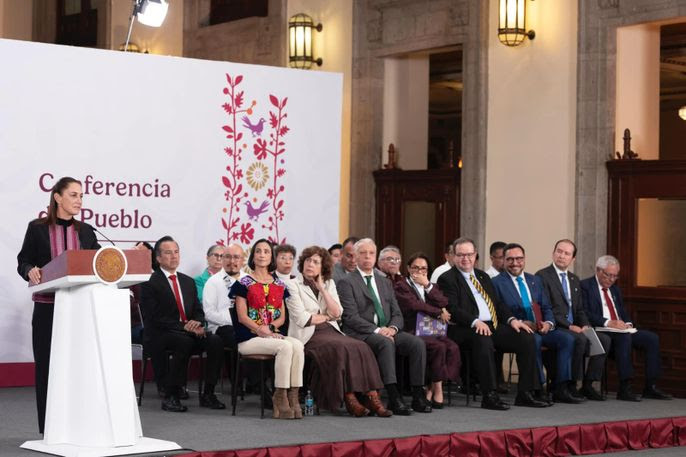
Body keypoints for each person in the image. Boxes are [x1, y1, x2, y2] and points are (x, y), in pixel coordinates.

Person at [17, 176, 101, 434]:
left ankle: (79, 425)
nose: (79, 200)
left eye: (81, 196)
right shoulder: (37, 228)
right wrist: (30, 270)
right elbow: (23, 261)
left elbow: (99, 262)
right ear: (57, 197)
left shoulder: (86, 231)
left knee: (79, 367)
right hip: (47, 309)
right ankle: (49, 428)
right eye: (74, 195)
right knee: (47, 367)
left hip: (80, 310)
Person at [437, 237, 546, 410]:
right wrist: (475, 321)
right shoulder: (447, 278)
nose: (465, 258)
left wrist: (512, 320)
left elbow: (498, 304)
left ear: (475, 255)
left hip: (491, 325)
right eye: (461, 255)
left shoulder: (483, 276)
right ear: (454, 256)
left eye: (469, 254)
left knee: (526, 337)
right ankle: (489, 395)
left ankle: (525, 393)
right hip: (465, 328)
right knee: (484, 339)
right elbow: (453, 308)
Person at [286, 246, 391, 417]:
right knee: (340, 348)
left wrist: (322, 289)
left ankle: (372, 397)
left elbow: (337, 313)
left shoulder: (329, 283)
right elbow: (303, 319)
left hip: (331, 331)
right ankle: (350, 399)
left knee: (361, 346)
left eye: (316, 262)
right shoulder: (292, 284)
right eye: (308, 260)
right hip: (308, 334)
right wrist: (327, 316)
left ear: (323, 267)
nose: (310, 264)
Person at [338, 238, 431, 415]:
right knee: (385, 343)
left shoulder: (384, 282)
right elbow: (350, 317)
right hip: (362, 332)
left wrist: (393, 328)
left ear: (375, 257)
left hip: (388, 329)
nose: (367, 256)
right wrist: (379, 330)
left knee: (417, 343)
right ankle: (394, 396)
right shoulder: (346, 282)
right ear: (355, 257)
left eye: (371, 253)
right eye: (363, 253)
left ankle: (418, 395)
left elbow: (397, 313)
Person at [141, 236, 226, 412]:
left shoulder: (187, 281)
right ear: (158, 258)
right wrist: (184, 327)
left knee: (215, 341)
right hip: (160, 334)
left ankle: (208, 394)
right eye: (168, 253)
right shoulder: (149, 282)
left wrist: (197, 322)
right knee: (184, 342)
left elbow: (198, 311)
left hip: (188, 331)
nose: (174, 256)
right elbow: (154, 317)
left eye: (176, 252)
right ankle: (171, 396)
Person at [492, 243, 580, 404]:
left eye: (519, 258)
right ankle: (538, 388)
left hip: (541, 327)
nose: (515, 263)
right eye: (510, 259)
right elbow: (498, 310)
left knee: (567, 339)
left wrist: (549, 323)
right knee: (535, 340)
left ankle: (560, 387)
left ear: (524, 259)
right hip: (518, 330)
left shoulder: (535, 280)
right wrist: (519, 322)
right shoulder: (496, 282)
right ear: (504, 260)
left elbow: (546, 306)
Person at [581, 255, 672, 401]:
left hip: (620, 329)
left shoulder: (615, 289)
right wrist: (608, 322)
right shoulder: (585, 286)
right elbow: (584, 312)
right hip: (601, 329)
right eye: (608, 275)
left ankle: (651, 386)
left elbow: (622, 311)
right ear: (598, 270)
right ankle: (625, 387)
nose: (611, 279)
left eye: (615, 276)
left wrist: (628, 323)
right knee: (624, 338)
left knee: (651, 339)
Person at [234, 239, 305, 419]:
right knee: (285, 346)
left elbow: (282, 317)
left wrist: (271, 328)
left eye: (266, 251)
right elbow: (242, 317)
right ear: (253, 256)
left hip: (272, 335)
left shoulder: (279, 284)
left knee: (297, 345)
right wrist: (260, 329)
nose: (262, 255)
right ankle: (279, 396)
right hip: (249, 338)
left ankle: (293, 396)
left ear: (271, 257)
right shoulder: (243, 282)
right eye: (258, 251)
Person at [536, 239, 609, 401]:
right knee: (578, 338)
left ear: (573, 259)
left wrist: (586, 325)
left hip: (574, 327)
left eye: (566, 253)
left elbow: (579, 310)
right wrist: (570, 326)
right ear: (553, 253)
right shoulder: (543, 276)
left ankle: (588, 384)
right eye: (559, 251)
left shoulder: (574, 279)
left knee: (603, 340)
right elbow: (546, 308)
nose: (561, 256)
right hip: (555, 326)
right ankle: (570, 385)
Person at [393, 252, 461, 408]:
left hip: (432, 330)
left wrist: (427, 286)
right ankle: (438, 389)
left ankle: (432, 386)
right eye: (415, 267)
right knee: (438, 347)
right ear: (408, 268)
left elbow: (443, 302)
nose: (419, 271)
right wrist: (438, 312)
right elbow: (414, 305)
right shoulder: (401, 286)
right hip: (412, 330)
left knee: (453, 347)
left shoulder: (432, 286)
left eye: (423, 268)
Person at [202, 243, 246, 352]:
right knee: (238, 336)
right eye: (228, 257)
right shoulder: (213, 281)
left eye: (236, 257)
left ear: (242, 260)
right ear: (223, 259)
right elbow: (209, 313)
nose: (232, 261)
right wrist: (235, 321)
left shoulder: (249, 280)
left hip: (248, 325)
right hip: (221, 327)